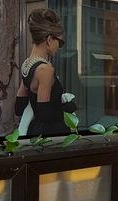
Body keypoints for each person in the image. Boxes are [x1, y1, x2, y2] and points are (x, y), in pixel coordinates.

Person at [15, 8, 76, 136]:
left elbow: (19, 107)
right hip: (51, 137)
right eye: (60, 42)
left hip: (35, 133)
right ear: (49, 40)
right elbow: (44, 115)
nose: (59, 47)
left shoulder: (27, 64)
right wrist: (67, 106)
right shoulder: (45, 70)